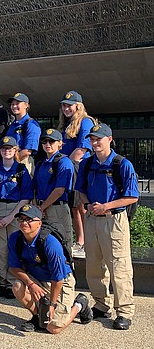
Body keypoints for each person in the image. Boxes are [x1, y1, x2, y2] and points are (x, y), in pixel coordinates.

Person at [76, 123, 138, 330]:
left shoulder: (122, 164)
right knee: (94, 265)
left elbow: (131, 196)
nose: (94, 143)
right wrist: (87, 205)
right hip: (92, 219)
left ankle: (124, 311)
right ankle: (101, 304)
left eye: (98, 139)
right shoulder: (86, 164)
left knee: (119, 267)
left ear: (109, 139)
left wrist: (106, 206)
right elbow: (81, 190)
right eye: (92, 139)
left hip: (114, 220)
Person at [8, 204, 93, 333]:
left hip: (61, 282)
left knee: (54, 329)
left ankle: (79, 304)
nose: (24, 223)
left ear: (39, 223)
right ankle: (38, 317)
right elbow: (14, 268)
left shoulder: (50, 243)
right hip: (37, 279)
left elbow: (57, 278)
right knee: (17, 286)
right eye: (21, 219)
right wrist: (30, 284)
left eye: (29, 219)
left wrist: (52, 305)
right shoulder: (15, 238)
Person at [0, 136, 33, 299]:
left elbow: (26, 196)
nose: (7, 151)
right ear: (0, 151)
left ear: (15, 151)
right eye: (4, 148)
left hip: (16, 209)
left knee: (15, 247)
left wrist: (12, 217)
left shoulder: (21, 169)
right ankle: (3, 282)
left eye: (10, 149)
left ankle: (14, 282)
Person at [59, 90, 96, 259]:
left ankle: (84, 242)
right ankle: (80, 241)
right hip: (70, 169)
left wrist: (64, 163)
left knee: (81, 206)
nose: (66, 108)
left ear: (78, 106)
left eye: (69, 105)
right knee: (75, 207)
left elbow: (81, 150)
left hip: (80, 169)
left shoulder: (85, 122)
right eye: (64, 105)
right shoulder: (67, 124)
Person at [33, 129, 74, 248]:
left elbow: (59, 190)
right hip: (41, 208)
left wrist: (42, 208)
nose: (47, 144)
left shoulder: (64, 162)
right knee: (43, 244)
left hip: (57, 208)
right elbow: (34, 188)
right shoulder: (40, 163)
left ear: (60, 143)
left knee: (63, 243)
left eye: (51, 141)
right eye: (44, 142)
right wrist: (37, 207)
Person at [6, 92, 41, 176]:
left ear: (26, 105)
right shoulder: (12, 125)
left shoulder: (31, 124)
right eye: (12, 104)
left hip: (24, 161)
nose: (14, 106)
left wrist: (14, 163)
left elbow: (28, 150)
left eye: (17, 103)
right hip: (10, 161)